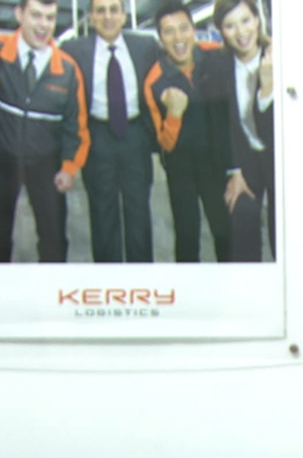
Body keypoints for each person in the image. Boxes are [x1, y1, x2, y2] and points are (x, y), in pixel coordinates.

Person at [0, 0, 90, 263]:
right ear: (19, 14)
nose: (43, 25)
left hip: (45, 161)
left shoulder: (68, 70)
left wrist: (69, 167)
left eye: (50, 18)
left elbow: (76, 124)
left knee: (54, 239)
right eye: (36, 16)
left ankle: (52, 288)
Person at [61, 0, 160, 263]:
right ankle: (108, 274)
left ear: (124, 16)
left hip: (136, 136)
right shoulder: (74, 50)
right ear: (90, 17)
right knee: (102, 212)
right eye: (100, 10)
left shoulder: (146, 47)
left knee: (139, 210)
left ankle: (141, 273)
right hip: (96, 138)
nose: (108, 16)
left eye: (114, 10)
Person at [143, 0, 232, 262]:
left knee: (225, 231)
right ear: (160, 38)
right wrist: (174, 115)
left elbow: (249, 49)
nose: (178, 38)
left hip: (216, 162)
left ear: (194, 30)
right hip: (179, 166)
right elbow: (164, 143)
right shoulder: (154, 81)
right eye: (169, 31)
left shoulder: (215, 54)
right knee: (187, 235)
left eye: (183, 28)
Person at [209, 0, 275, 262]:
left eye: (246, 21)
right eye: (230, 25)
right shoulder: (219, 66)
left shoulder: (279, 59)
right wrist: (233, 170)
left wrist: (267, 88)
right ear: (220, 31)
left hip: (280, 158)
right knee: (241, 221)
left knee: (282, 234)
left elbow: (274, 132)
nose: (241, 32)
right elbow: (221, 125)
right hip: (245, 160)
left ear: (257, 20)